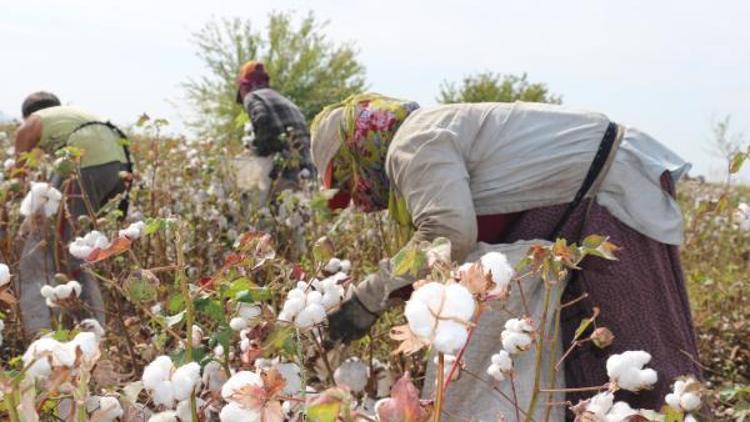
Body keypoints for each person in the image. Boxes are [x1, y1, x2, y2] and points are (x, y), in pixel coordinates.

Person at [310, 94, 701, 415]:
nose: (359, 200)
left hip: (610, 198)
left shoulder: (413, 143)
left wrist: (368, 297)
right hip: (592, 196)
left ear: (359, 150)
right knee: (589, 359)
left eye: (348, 181)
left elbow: (448, 233)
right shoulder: (424, 133)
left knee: (640, 357)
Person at [13, 91, 133, 334]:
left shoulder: (33, 121)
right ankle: (87, 320)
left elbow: (20, 168)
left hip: (87, 167)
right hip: (119, 168)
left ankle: (74, 328)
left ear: (28, 114)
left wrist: (18, 189)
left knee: (61, 250)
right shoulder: (70, 118)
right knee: (79, 244)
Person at [235, 60, 314, 195]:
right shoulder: (286, 101)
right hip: (307, 174)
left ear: (244, 88)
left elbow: (262, 118)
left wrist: (258, 156)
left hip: (285, 176)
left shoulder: (252, 97)